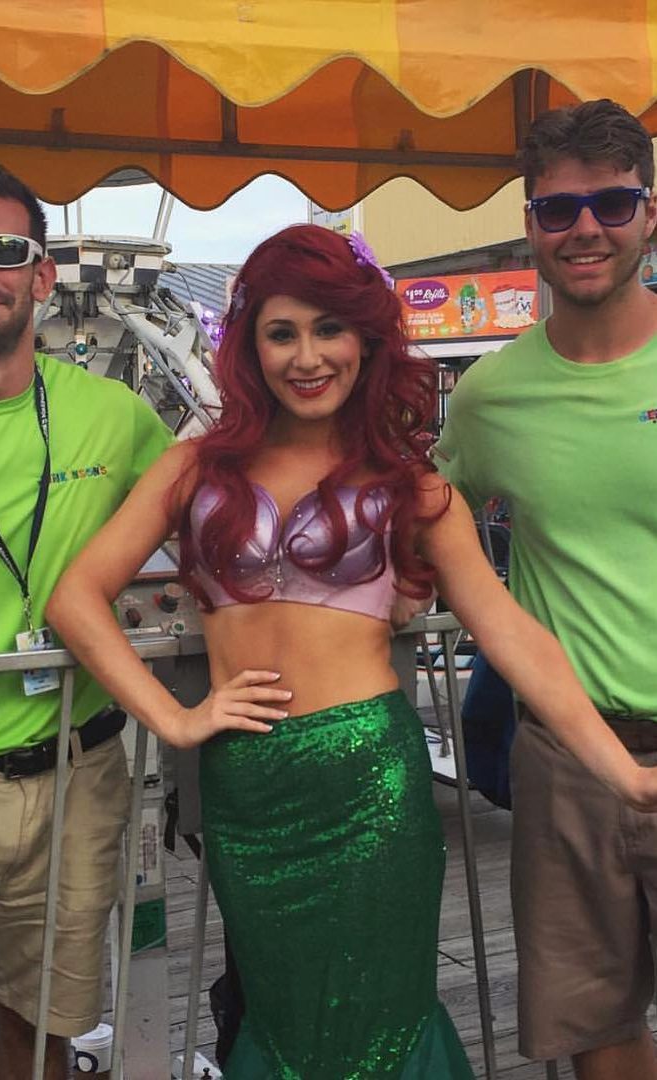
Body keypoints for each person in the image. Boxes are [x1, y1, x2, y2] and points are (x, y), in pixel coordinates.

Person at [47, 223, 657, 1080]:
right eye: (282, 332)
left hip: (373, 784)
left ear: (366, 341)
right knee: (291, 1022)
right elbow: (76, 598)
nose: (308, 356)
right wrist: (176, 718)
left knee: (381, 1024)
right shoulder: (195, 470)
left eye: (329, 328)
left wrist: (626, 776)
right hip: (249, 792)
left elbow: (514, 634)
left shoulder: (412, 485)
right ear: (249, 345)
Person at [0, 162, 173, 1078]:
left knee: (43, 1025)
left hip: (76, 776)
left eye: (5, 249)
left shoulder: (118, 417)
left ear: (41, 275)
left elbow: (236, 514)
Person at [434, 98, 657, 1080]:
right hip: (568, 754)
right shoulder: (489, 394)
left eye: (613, 203)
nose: (586, 230)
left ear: (650, 211)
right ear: (529, 223)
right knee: (594, 1033)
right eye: (559, 210)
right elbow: (419, 531)